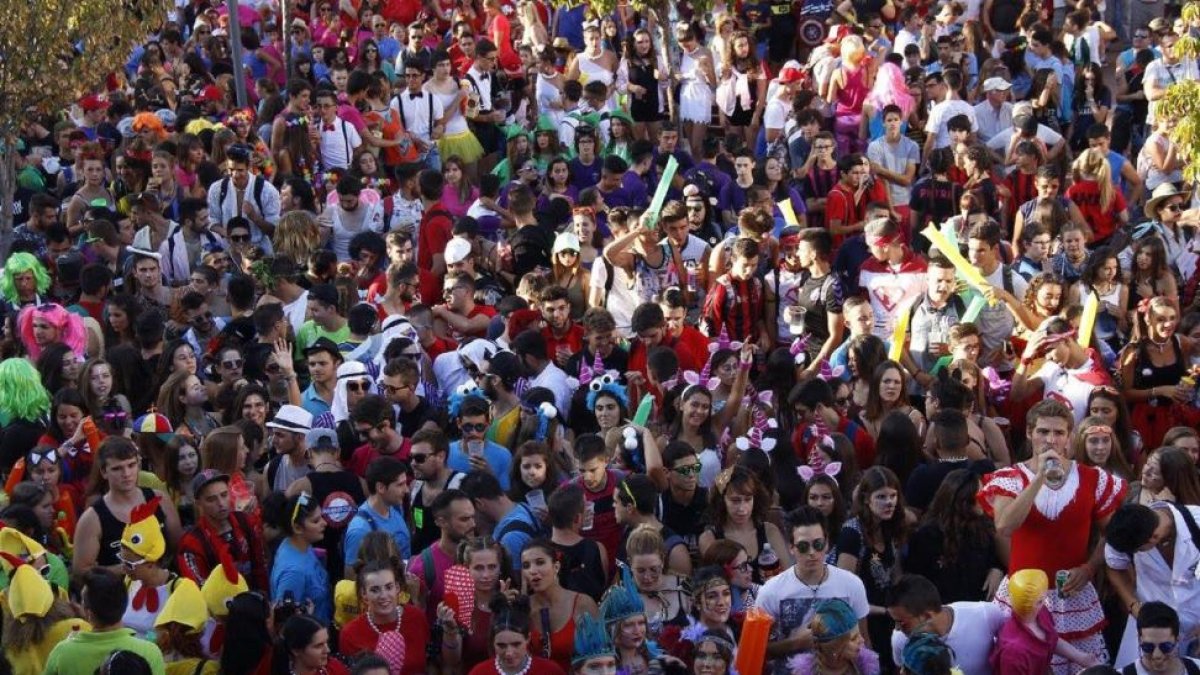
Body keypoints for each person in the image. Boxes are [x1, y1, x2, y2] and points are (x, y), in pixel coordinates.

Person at [978, 399, 1127, 672]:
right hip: (1022, 597)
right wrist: (1038, 479)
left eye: (1058, 433)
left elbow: (1114, 532)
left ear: (1069, 437)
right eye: (1043, 432)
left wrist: (1090, 566)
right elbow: (1004, 526)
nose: (1050, 439)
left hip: (1073, 595)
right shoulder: (1009, 477)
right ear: (1029, 433)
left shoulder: (1093, 479)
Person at [758, 506, 869, 672]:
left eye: (818, 544)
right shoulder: (771, 591)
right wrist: (796, 643)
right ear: (791, 547)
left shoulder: (851, 584)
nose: (812, 552)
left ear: (827, 543)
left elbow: (864, 642)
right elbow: (758, 651)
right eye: (803, 546)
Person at [1105, 502, 1200, 667]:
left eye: (1138, 550)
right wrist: (1133, 605)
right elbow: (1114, 566)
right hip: (1148, 627)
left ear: (1153, 538)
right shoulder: (1127, 529)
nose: (1135, 554)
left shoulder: (1197, 521)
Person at [73, 437, 181, 574]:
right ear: (104, 472)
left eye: (131, 465)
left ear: (139, 465)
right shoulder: (92, 518)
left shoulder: (160, 500)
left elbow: (179, 548)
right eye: (117, 468)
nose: (126, 474)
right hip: (120, 591)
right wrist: (128, 569)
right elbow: (81, 570)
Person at [43, 569, 167, 675]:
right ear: (123, 605)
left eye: (83, 602)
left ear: (89, 613)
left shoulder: (63, 653)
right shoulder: (150, 652)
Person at [886, 574, 1007, 675]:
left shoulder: (985, 615)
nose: (897, 629)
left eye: (901, 622)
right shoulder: (900, 640)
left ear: (927, 616)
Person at [176, 469, 269, 592]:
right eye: (211, 499)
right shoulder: (192, 543)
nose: (220, 503)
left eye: (224, 495)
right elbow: (201, 591)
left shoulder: (245, 521)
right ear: (198, 503)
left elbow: (260, 567)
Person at [338, 560, 430, 673]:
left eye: (389, 587)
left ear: (397, 588)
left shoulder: (417, 618)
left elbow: (431, 664)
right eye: (375, 590)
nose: (383, 595)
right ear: (364, 594)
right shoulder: (350, 634)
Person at [268, 490, 332, 624]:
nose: (324, 523)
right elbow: (286, 623)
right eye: (316, 521)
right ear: (297, 528)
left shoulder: (296, 544)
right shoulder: (293, 573)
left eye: (321, 517)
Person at [344, 456, 412, 572]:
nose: (406, 490)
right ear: (381, 487)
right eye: (400, 485)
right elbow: (352, 578)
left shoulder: (396, 507)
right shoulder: (360, 530)